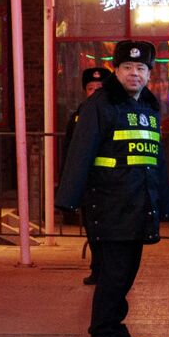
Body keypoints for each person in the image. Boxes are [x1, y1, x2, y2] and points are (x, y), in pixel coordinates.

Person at [55, 40, 169, 337]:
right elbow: (80, 154)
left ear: (149, 74)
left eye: (141, 69)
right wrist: (69, 199)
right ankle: (102, 333)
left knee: (126, 270)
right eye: (127, 68)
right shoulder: (100, 105)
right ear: (116, 71)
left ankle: (114, 327)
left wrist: (163, 201)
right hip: (108, 203)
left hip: (138, 202)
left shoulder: (147, 106)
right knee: (113, 271)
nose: (134, 74)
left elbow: (155, 158)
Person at [64, 65, 111, 285]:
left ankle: (109, 269)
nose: (95, 92)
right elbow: (70, 152)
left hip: (112, 185)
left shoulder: (115, 113)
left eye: (100, 87)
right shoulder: (78, 117)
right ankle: (98, 268)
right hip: (89, 184)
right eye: (91, 88)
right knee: (93, 229)